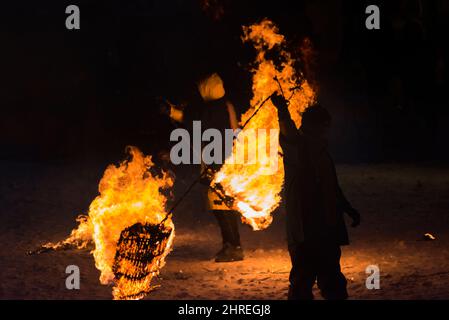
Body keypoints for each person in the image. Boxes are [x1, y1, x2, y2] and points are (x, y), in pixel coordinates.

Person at [271, 94, 361, 300]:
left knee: (332, 281)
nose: (326, 131)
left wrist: (347, 208)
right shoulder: (298, 148)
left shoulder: (322, 151)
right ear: (313, 126)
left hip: (326, 228)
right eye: (323, 126)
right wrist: (282, 111)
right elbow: (288, 132)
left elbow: (332, 187)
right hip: (305, 230)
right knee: (302, 282)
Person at [167, 73, 244, 262]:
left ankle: (233, 247)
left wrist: (171, 112)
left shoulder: (213, 109)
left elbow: (192, 121)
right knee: (225, 205)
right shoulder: (226, 105)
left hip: (218, 164)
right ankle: (232, 245)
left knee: (222, 206)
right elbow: (235, 131)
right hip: (224, 162)